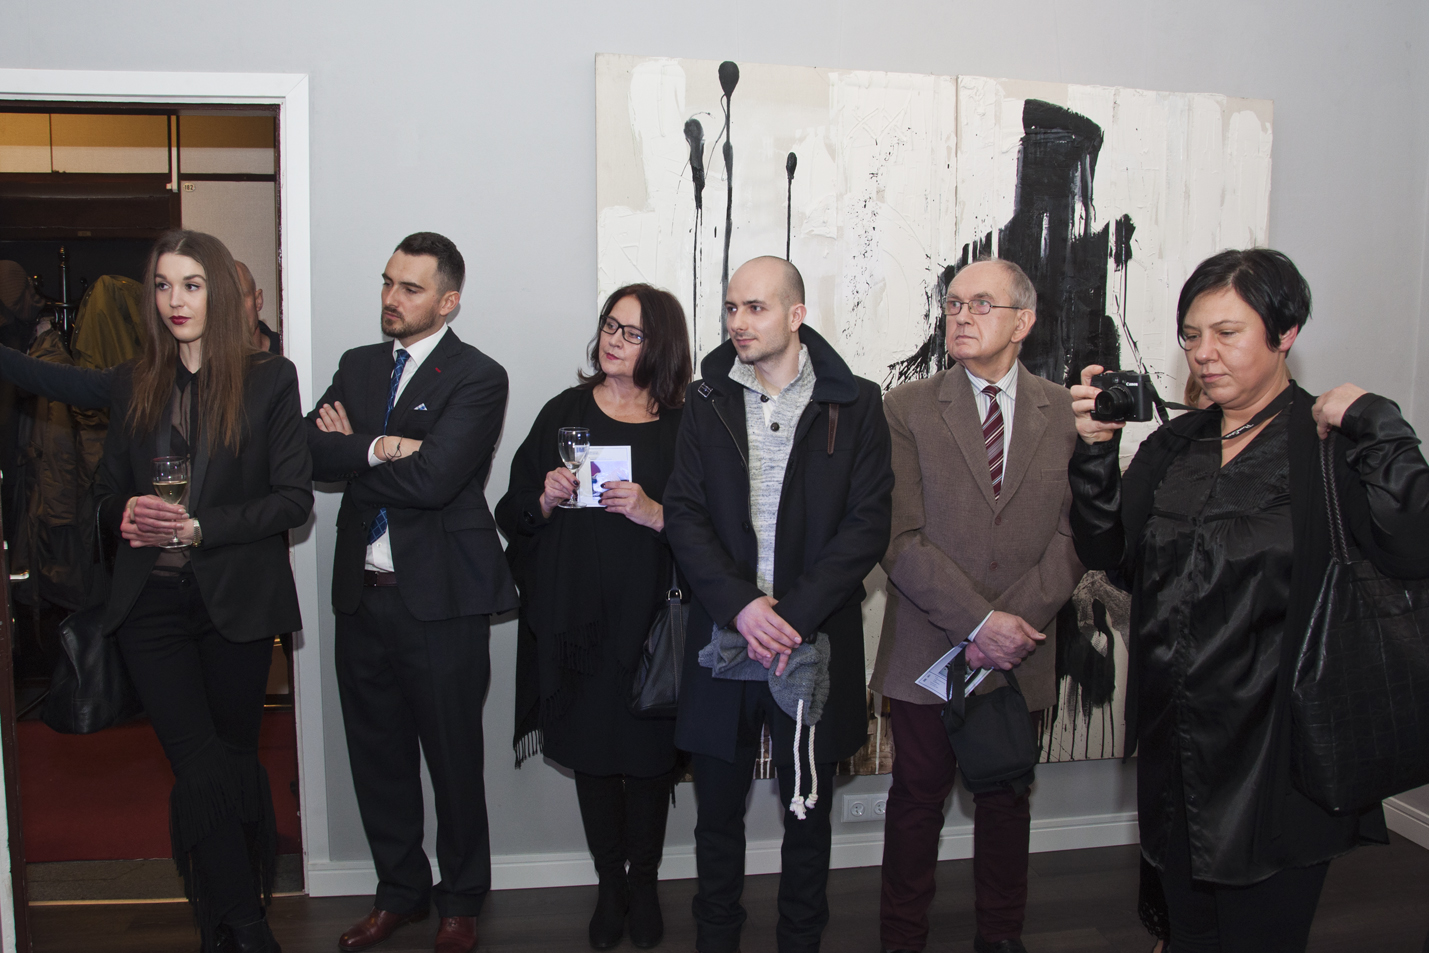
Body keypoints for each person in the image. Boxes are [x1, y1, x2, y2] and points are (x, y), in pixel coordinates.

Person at [1068, 248, 1429, 953]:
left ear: (1285, 332)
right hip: (1176, 746)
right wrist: (1094, 451)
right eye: (1191, 335)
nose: (1203, 353)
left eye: (1226, 333)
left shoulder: (1327, 446)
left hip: (1281, 752)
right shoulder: (1175, 444)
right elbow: (1109, 552)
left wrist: (1377, 421)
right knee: (1189, 932)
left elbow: (1414, 546)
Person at [90, 229, 311, 953]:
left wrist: (199, 528)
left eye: (190, 284)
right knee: (198, 762)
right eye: (162, 285)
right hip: (149, 609)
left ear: (219, 291)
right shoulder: (134, 381)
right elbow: (104, 495)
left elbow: (292, 500)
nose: (174, 300)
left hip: (236, 604)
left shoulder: (269, 379)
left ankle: (226, 914)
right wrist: (122, 512)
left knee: (235, 760)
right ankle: (247, 926)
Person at [664, 256, 893, 953]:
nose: (738, 322)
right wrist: (741, 606)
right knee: (715, 817)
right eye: (731, 307)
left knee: (807, 814)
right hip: (723, 636)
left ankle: (800, 940)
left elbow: (867, 525)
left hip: (811, 639)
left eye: (755, 307)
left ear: (796, 315)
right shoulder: (705, 399)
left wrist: (789, 615)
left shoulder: (855, 402)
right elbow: (684, 514)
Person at [307, 232, 518, 953]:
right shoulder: (359, 365)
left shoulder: (479, 376)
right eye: (387, 282)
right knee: (378, 759)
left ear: (448, 301)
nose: (391, 298)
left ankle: (460, 901)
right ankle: (400, 893)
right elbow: (307, 450)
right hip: (361, 596)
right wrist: (385, 446)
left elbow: (437, 480)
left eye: (410, 288)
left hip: (440, 602)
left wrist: (356, 450)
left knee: (454, 762)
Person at [868, 257, 1085, 953]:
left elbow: (1077, 535)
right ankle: (901, 937)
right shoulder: (905, 408)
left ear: (1022, 322)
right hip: (926, 647)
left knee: (1005, 800)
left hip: (1022, 645)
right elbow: (897, 536)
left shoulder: (1066, 413)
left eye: (980, 304)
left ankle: (1000, 936)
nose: (960, 316)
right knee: (915, 801)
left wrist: (1009, 627)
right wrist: (980, 623)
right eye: (954, 304)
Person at [495, 282, 692, 951]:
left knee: (648, 762)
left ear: (660, 344)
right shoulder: (564, 412)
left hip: (654, 628)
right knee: (593, 758)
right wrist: (545, 497)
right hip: (577, 627)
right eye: (610, 325)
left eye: (632, 332)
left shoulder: (684, 424)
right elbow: (512, 510)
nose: (614, 339)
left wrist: (655, 511)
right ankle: (611, 886)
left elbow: (715, 526)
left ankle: (645, 883)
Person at [236, 261, 281, 354]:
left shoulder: (289, 349)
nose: (233, 309)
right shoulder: (209, 360)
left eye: (240, 297)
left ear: (258, 300)